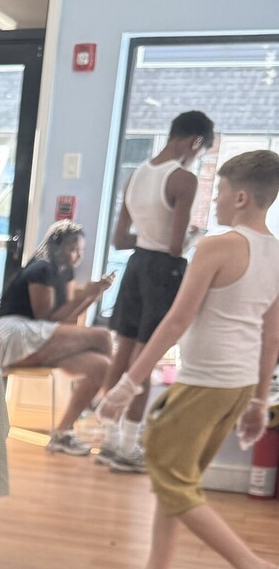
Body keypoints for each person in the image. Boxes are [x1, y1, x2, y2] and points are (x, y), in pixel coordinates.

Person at [101, 150, 279, 569]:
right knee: (178, 482)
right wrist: (260, 401)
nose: (215, 200)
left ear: (241, 197)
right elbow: (272, 334)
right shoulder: (276, 252)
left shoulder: (218, 247)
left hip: (205, 384)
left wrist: (128, 382)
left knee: (169, 474)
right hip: (237, 387)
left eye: (219, 191)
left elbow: (176, 320)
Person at [98, 110, 216, 473]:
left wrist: (150, 239)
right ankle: (129, 446)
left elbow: (120, 239)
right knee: (146, 358)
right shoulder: (183, 178)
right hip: (163, 271)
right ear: (196, 141)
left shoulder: (136, 174)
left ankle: (108, 440)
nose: (199, 158)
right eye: (202, 151)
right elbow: (178, 247)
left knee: (124, 351)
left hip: (135, 265)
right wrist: (198, 234)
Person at [0, 221, 116, 454]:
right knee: (104, 337)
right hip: (17, 334)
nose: (77, 256)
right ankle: (112, 413)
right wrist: (83, 296)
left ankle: (63, 433)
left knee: (101, 366)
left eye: (81, 251)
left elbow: (64, 321)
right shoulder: (41, 269)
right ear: (58, 248)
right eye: (73, 249)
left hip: (40, 338)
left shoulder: (65, 273)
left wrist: (89, 297)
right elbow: (44, 318)